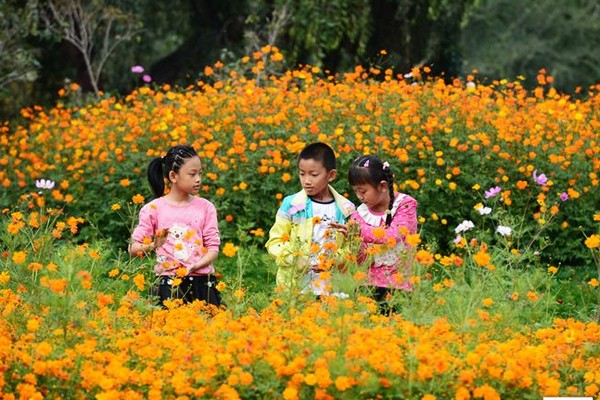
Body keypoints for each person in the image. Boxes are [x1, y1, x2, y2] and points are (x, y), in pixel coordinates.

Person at [129, 144, 222, 308]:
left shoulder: (206, 207)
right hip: (167, 286)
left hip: (202, 284)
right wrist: (154, 245)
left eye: (200, 173)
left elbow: (213, 249)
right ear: (173, 176)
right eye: (192, 174)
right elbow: (133, 248)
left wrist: (196, 266)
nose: (198, 179)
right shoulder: (153, 209)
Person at [265, 142, 355, 295]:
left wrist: (335, 261)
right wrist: (295, 259)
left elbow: (352, 247)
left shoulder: (346, 209)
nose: (306, 180)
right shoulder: (291, 204)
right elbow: (275, 242)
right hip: (295, 287)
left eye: (313, 175)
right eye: (302, 174)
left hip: (332, 288)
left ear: (331, 175)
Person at [347, 154, 418, 313]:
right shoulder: (358, 215)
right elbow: (361, 260)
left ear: (383, 186)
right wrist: (351, 240)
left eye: (363, 191)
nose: (359, 196)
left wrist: (358, 231)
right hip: (366, 288)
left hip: (398, 287)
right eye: (355, 191)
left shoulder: (405, 205)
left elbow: (392, 236)